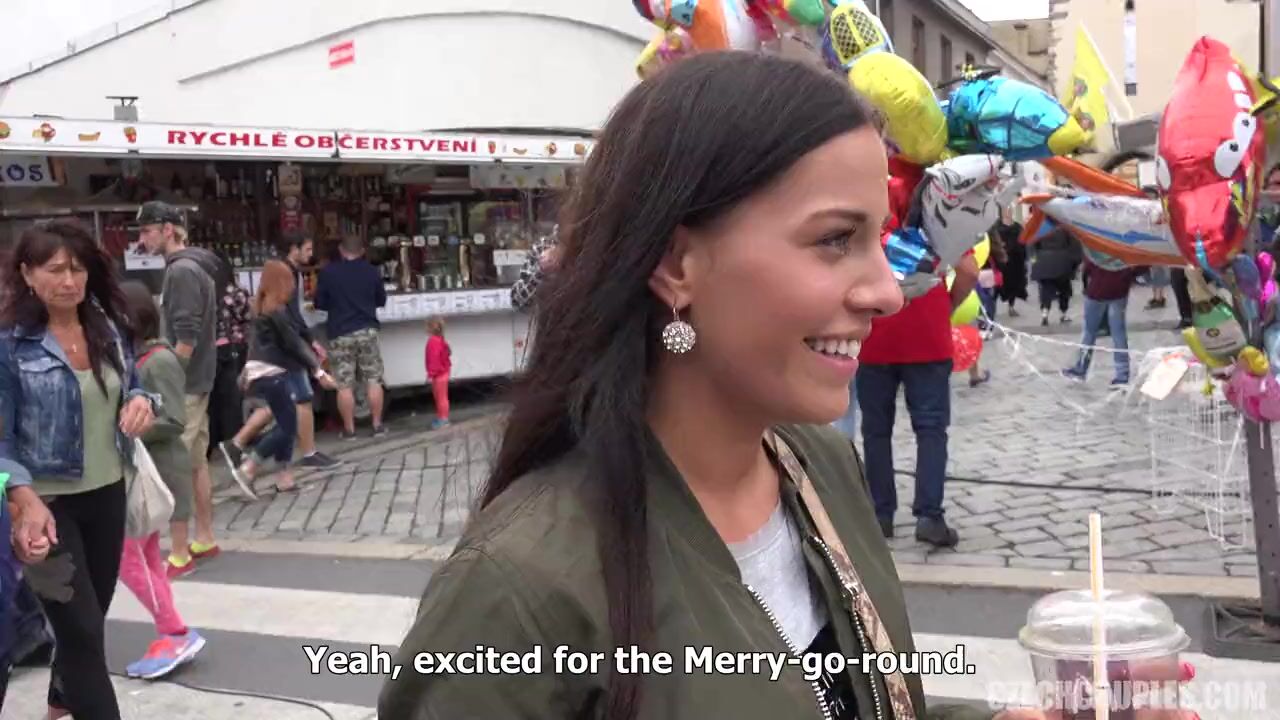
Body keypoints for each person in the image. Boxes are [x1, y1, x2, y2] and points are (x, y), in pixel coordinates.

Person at [378, 52, 1162, 720]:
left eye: (880, 239)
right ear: (676, 265)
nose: (887, 292)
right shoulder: (520, 592)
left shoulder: (822, 467)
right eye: (835, 240)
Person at [0, 219, 157, 720]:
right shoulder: (10, 344)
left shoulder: (107, 327)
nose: (68, 281)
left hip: (107, 495)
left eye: (77, 269)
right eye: (54, 270)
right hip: (44, 506)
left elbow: (134, 383)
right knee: (83, 632)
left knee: (87, 624)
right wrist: (24, 500)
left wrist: (141, 400)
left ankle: (58, 703)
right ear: (27, 274)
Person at [856, 156, 975, 548]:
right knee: (931, 429)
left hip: (876, 334)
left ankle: (880, 514)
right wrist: (945, 307)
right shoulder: (943, 202)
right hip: (927, 333)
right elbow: (969, 271)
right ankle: (929, 516)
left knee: (876, 430)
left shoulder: (869, 196)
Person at [118, 281, 206, 678]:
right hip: (147, 469)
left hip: (157, 469)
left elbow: (173, 419)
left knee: (131, 557)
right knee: (147, 555)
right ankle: (171, 628)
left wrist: (129, 424)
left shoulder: (157, 361)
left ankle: (173, 629)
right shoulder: (140, 358)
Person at [136, 200, 224, 576]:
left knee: (176, 464)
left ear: (168, 229)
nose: (142, 239)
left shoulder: (182, 270)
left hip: (185, 383)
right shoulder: (194, 266)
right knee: (195, 462)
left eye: (147, 231)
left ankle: (179, 552)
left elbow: (186, 335)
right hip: (198, 378)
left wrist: (170, 375)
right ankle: (204, 537)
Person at [219, 236, 341, 481]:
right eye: (307, 248)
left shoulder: (264, 304)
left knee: (280, 414)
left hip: (268, 368)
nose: (311, 254)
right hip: (277, 367)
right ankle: (254, 463)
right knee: (291, 417)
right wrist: (317, 367)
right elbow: (292, 338)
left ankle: (274, 470)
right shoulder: (277, 305)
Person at [314, 237, 388, 438]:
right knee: (373, 379)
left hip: (340, 332)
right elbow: (381, 300)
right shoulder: (372, 271)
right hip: (367, 330)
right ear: (362, 251)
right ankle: (377, 425)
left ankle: (349, 430)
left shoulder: (328, 272)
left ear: (340, 250)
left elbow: (320, 303)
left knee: (343, 383)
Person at [1062, 258, 1141, 386]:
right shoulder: (1125, 249)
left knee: (1089, 332)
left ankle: (1081, 368)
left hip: (1097, 290)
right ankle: (1122, 375)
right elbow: (1141, 265)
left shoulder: (1099, 248)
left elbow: (1088, 266)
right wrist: (1128, 274)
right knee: (1119, 333)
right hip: (1119, 290)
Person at [207, 253, 251, 472]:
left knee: (210, 399)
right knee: (232, 399)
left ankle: (210, 443)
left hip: (207, 351)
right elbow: (247, 316)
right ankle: (234, 442)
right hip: (232, 348)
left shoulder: (202, 291)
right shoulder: (235, 292)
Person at [1029, 223, 1081, 327]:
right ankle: (1063, 314)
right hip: (1062, 263)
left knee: (1046, 289)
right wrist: (1074, 264)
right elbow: (1075, 246)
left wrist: (1034, 261)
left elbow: (1031, 245)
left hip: (1044, 263)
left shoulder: (1041, 227)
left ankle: (1045, 313)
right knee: (1064, 290)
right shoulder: (1065, 228)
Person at [992, 209, 1027, 316]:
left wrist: (1023, 255)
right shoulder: (996, 227)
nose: (1008, 213)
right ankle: (991, 306)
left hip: (1015, 261)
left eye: (1009, 211)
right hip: (1000, 262)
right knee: (997, 285)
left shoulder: (1017, 227)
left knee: (1013, 285)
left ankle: (1011, 306)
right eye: (1006, 211)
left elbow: (1023, 241)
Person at [424, 316, 452, 430]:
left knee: (440, 397)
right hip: (443, 372)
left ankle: (443, 419)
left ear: (430, 327)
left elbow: (433, 359)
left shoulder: (432, 341)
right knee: (441, 397)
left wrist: (431, 373)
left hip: (438, 374)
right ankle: (442, 417)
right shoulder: (441, 339)